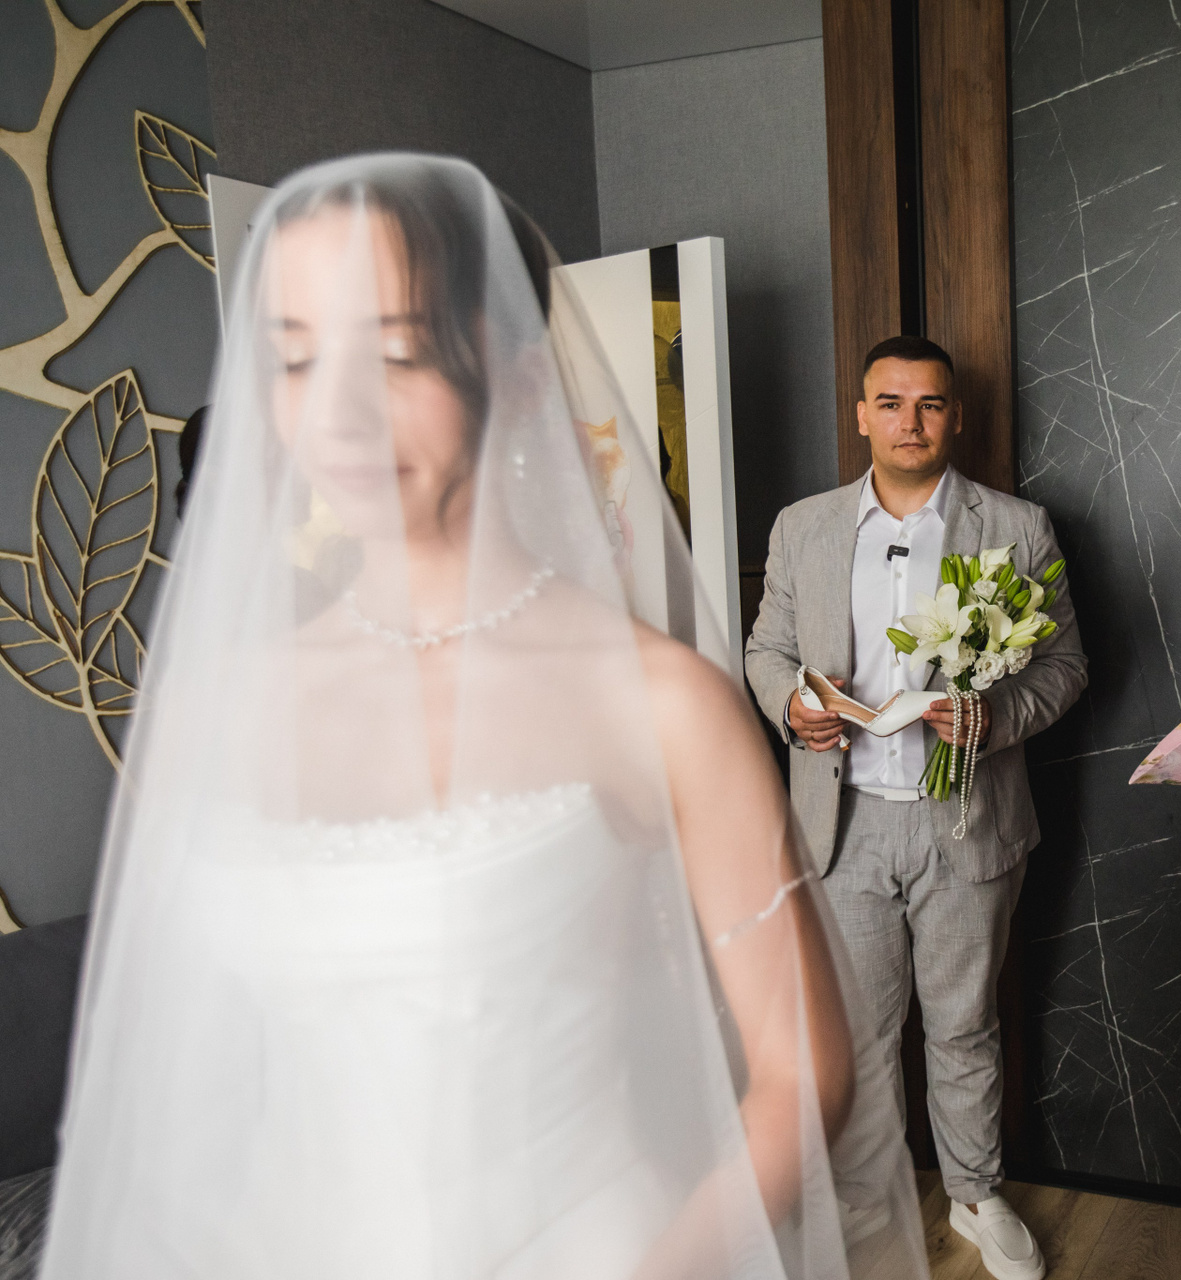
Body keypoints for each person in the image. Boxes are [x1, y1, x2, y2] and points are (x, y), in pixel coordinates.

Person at [39, 154, 927, 1280]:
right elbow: (175, 1077)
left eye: (395, 353)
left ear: (518, 374)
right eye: (296, 358)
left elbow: (804, 1068)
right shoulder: (214, 705)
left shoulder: (656, 700)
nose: (339, 415)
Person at [744, 337, 1086, 1280]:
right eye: (890, 403)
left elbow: (1066, 666)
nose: (910, 421)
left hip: (966, 820)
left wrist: (995, 715)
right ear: (861, 415)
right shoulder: (802, 526)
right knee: (856, 1035)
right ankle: (867, 1200)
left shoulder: (1015, 526)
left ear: (955, 416)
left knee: (964, 1024)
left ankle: (975, 1194)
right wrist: (791, 706)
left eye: (930, 404)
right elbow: (767, 648)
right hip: (841, 822)